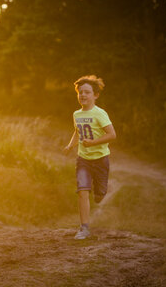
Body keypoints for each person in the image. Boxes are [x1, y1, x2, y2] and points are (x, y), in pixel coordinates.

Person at [63, 75, 116, 240]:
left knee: (99, 195)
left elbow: (112, 135)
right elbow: (77, 131)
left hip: (100, 159)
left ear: (95, 95)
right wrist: (70, 145)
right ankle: (84, 228)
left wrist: (93, 143)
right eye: (80, 92)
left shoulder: (100, 114)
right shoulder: (76, 114)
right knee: (82, 191)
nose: (83, 95)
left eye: (87, 92)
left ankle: (100, 191)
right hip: (83, 159)